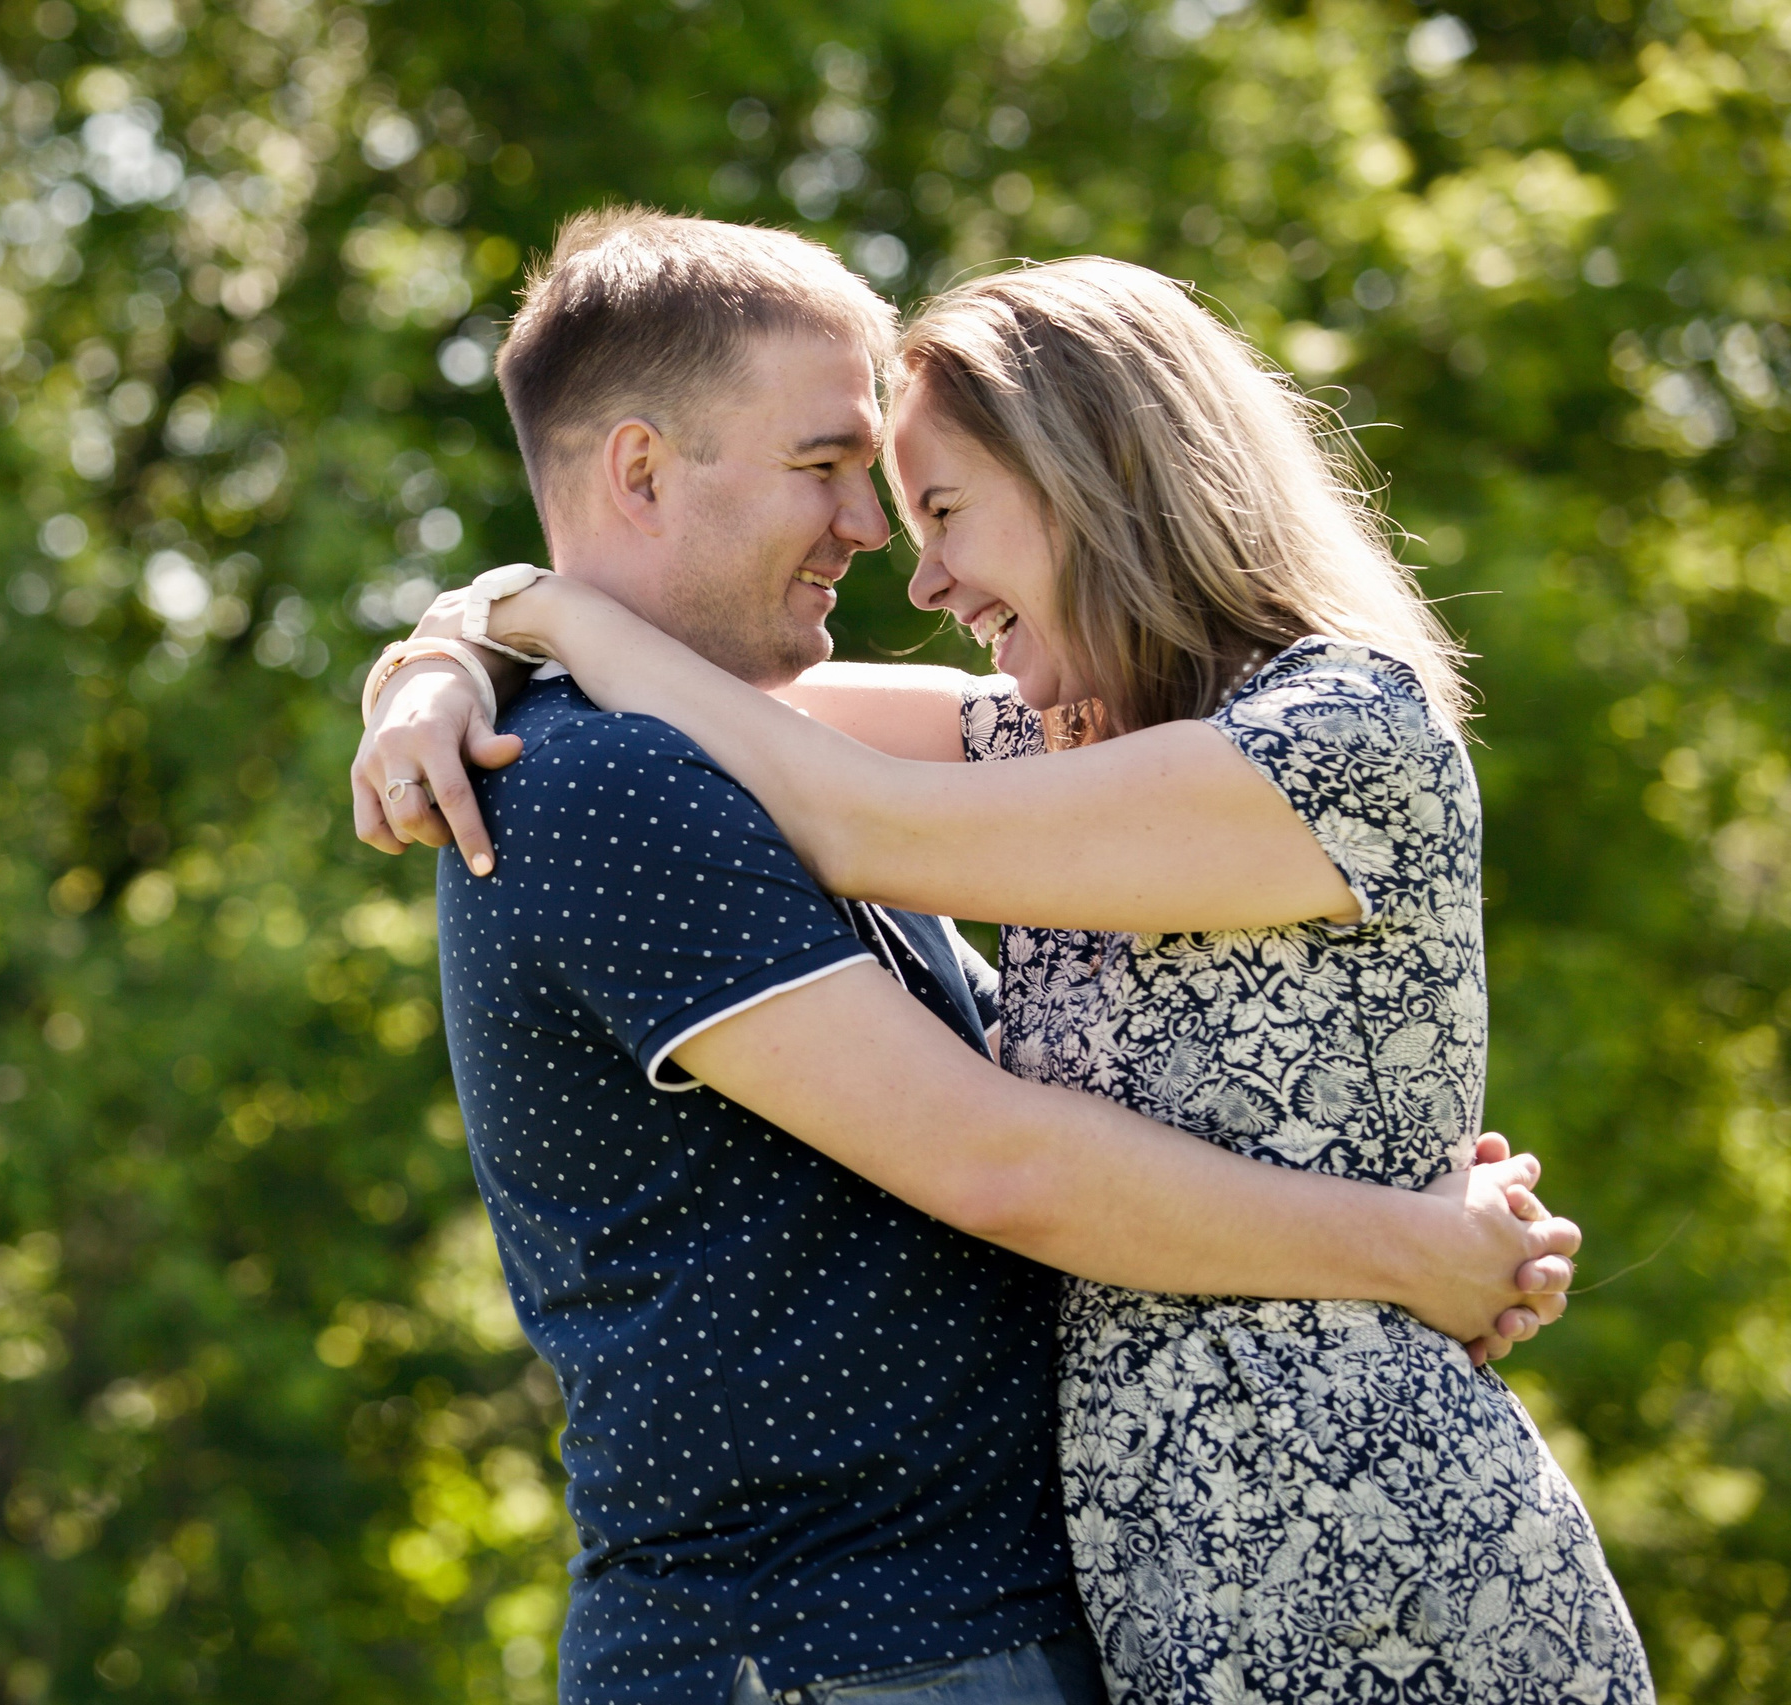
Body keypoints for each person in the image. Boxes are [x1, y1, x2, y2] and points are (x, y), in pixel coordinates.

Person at [361, 239, 1650, 1702]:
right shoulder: (1042, 748)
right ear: (645, 469)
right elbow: (753, 729)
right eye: (835, 473)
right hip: (1121, 1594)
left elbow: (843, 806)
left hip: (1353, 1559)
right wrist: (463, 645)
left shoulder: (1331, 737)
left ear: (1094, 480)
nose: (907, 561)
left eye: (941, 507)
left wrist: (542, 620)